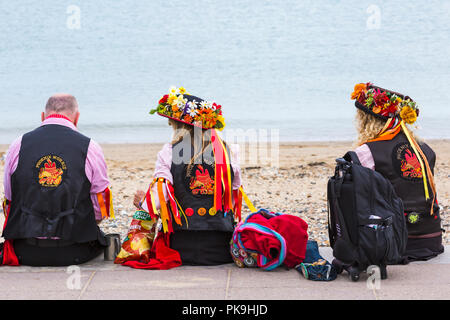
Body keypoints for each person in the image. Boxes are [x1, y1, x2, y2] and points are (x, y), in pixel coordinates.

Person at [132, 86, 243, 266]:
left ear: (179, 126)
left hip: (180, 248)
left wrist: (141, 204)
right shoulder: (229, 150)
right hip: (221, 248)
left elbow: (159, 198)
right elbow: (233, 194)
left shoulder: (169, 152)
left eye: (172, 123)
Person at [1, 94, 114, 266]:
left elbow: (10, 199)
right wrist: (88, 223)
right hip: (76, 250)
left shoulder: (18, 144)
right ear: (77, 118)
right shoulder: (90, 147)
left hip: (25, 250)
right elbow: (100, 203)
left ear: (42, 116)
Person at [350, 83, 444, 262]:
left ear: (366, 120)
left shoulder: (366, 152)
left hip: (390, 243)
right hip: (430, 239)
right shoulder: (425, 150)